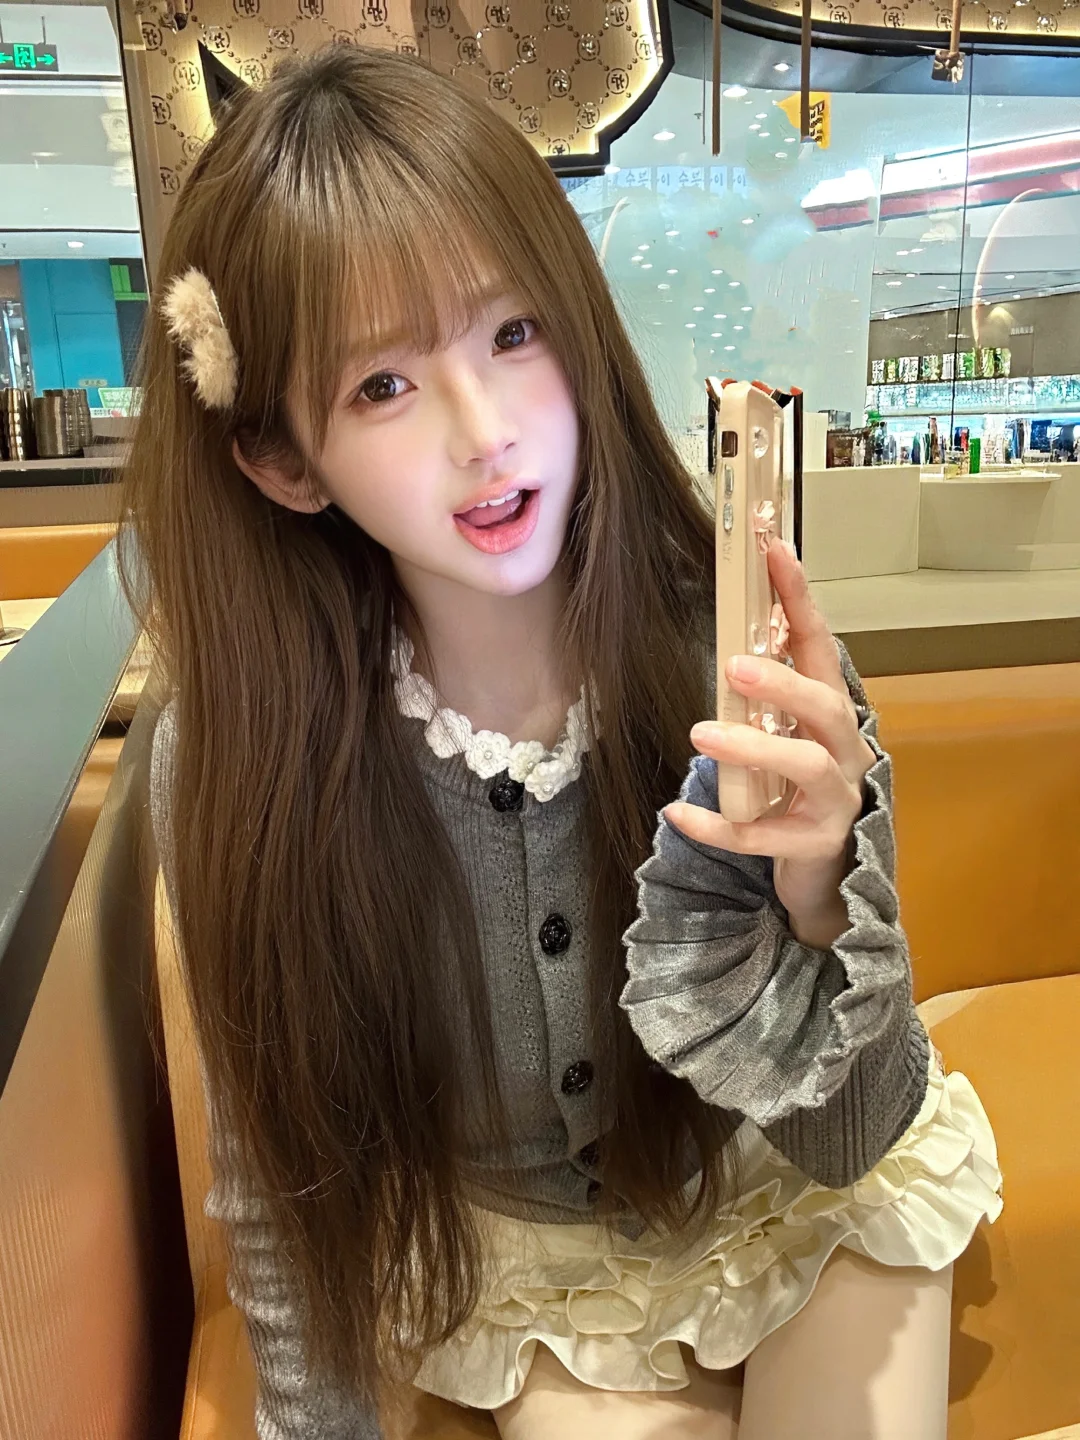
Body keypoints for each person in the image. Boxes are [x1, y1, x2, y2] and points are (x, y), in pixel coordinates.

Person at [122, 44, 1002, 1440]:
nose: (484, 434)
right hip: (532, 1273)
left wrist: (821, 891)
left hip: (789, 1189)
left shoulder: (749, 670)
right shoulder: (242, 763)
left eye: (512, 333)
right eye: (381, 386)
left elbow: (850, 1141)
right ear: (284, 460)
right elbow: (281, 1193)